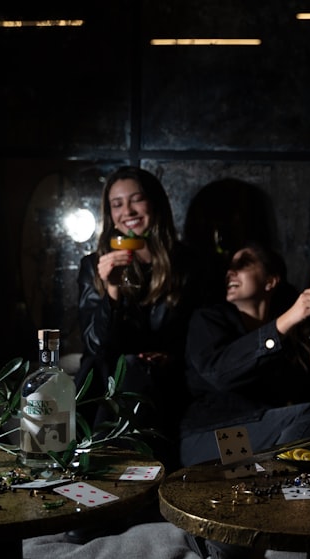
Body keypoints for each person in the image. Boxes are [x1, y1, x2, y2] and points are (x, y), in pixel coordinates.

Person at [76, 166, 222, 470]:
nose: (127, 211)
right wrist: (112, 289)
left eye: (136, 200)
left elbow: (207, 335)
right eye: (117, 204)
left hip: (171, 382)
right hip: (113, 386)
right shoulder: (94, 265)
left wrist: (171, 358)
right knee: (128, 369)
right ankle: (119, 482)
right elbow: (96, 347)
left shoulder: (189, 264)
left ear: (154, 204)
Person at [179, 242, 310, 467]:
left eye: (243, 264)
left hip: (259, 438)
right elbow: (219, 374)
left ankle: (273, 478)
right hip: (208, 439)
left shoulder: (291, 335)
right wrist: (287, 320)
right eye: (230, 266)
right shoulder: (207, 320)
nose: (231, 272)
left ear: (270, 281)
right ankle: (280, 478)